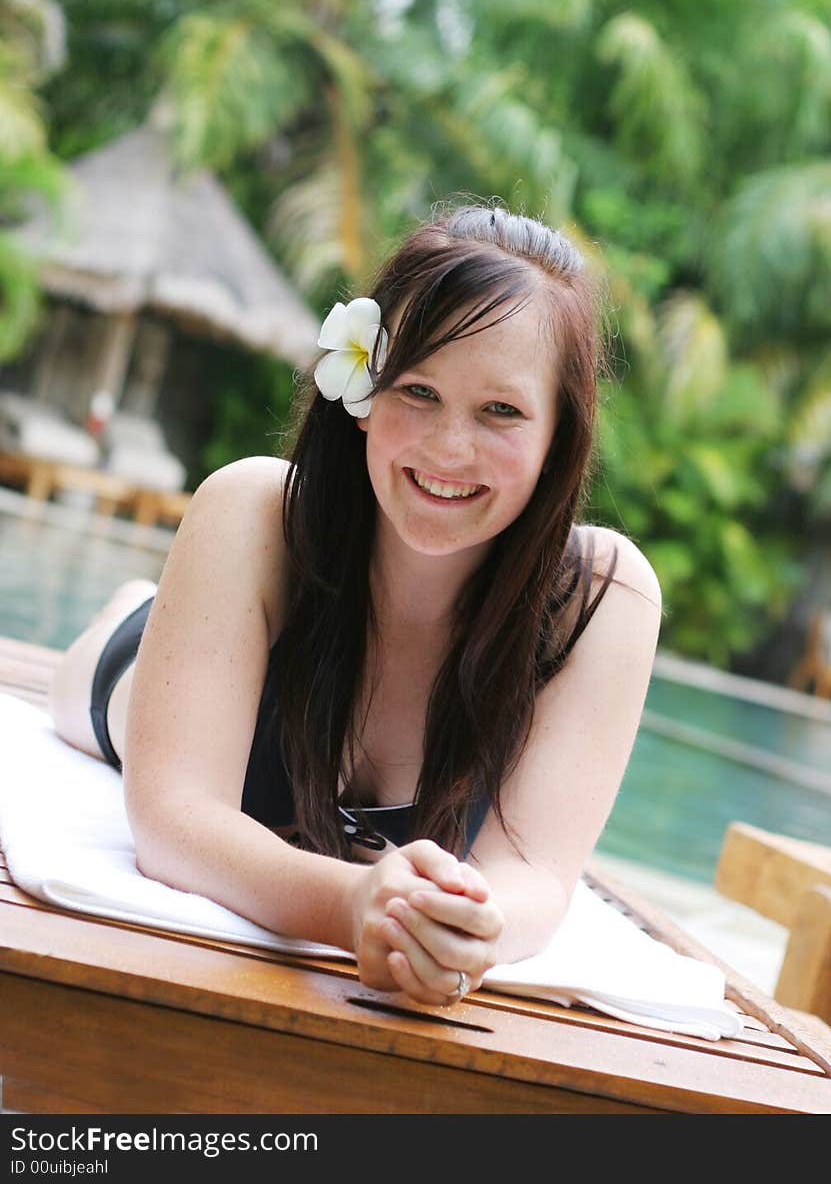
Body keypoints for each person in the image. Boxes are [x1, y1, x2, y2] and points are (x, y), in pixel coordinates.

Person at [48, 202, 662, 1009]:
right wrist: (349, 905)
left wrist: (455, 926)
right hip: (134, 673)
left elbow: (535, 875)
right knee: (109, 663)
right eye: (418, 390)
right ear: (364, 390)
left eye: (501, 410)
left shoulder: (599, 597)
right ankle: (148, 607)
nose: (449, 448)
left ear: (560, 433)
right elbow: (174, 819)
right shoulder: (256, 512)